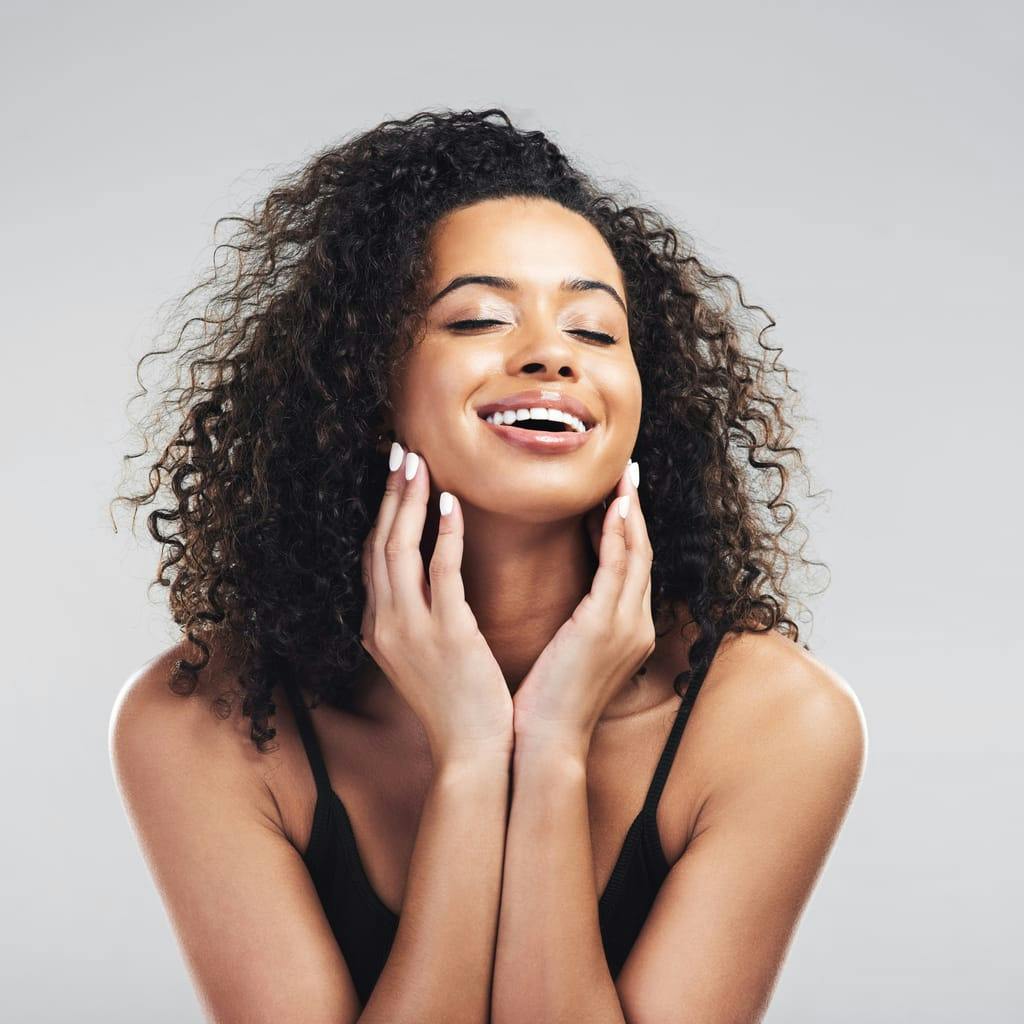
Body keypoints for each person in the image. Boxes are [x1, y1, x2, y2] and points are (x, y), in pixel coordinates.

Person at [108, 107, 866, 1023]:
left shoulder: (775, 721)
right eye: (477, 317)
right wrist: (472, 761)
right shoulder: (205, 722)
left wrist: (548, 753)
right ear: (360, 379)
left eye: (594, 331)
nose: (550, 354)